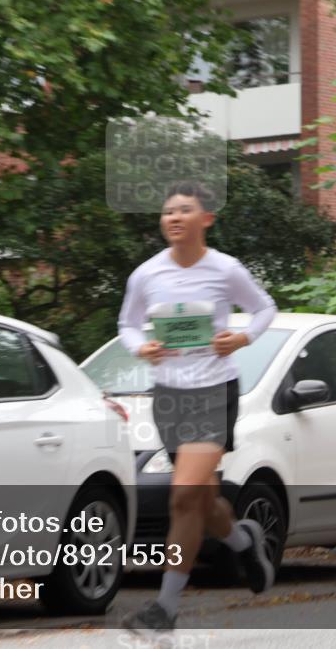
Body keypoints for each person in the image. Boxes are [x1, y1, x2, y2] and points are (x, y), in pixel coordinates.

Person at [119, 181, 278, 635]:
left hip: (213, 390)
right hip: (168, 396)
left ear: (206, 219)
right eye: (168, 211)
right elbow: (128, 324)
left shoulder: (225, 269)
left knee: (183, 495)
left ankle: (164, 610)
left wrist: (241, 337)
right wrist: (141, 347)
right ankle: (244, 541)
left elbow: (264, 309)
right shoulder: (146, 274)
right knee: (203, 501)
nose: (173, 217)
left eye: (184, 210)